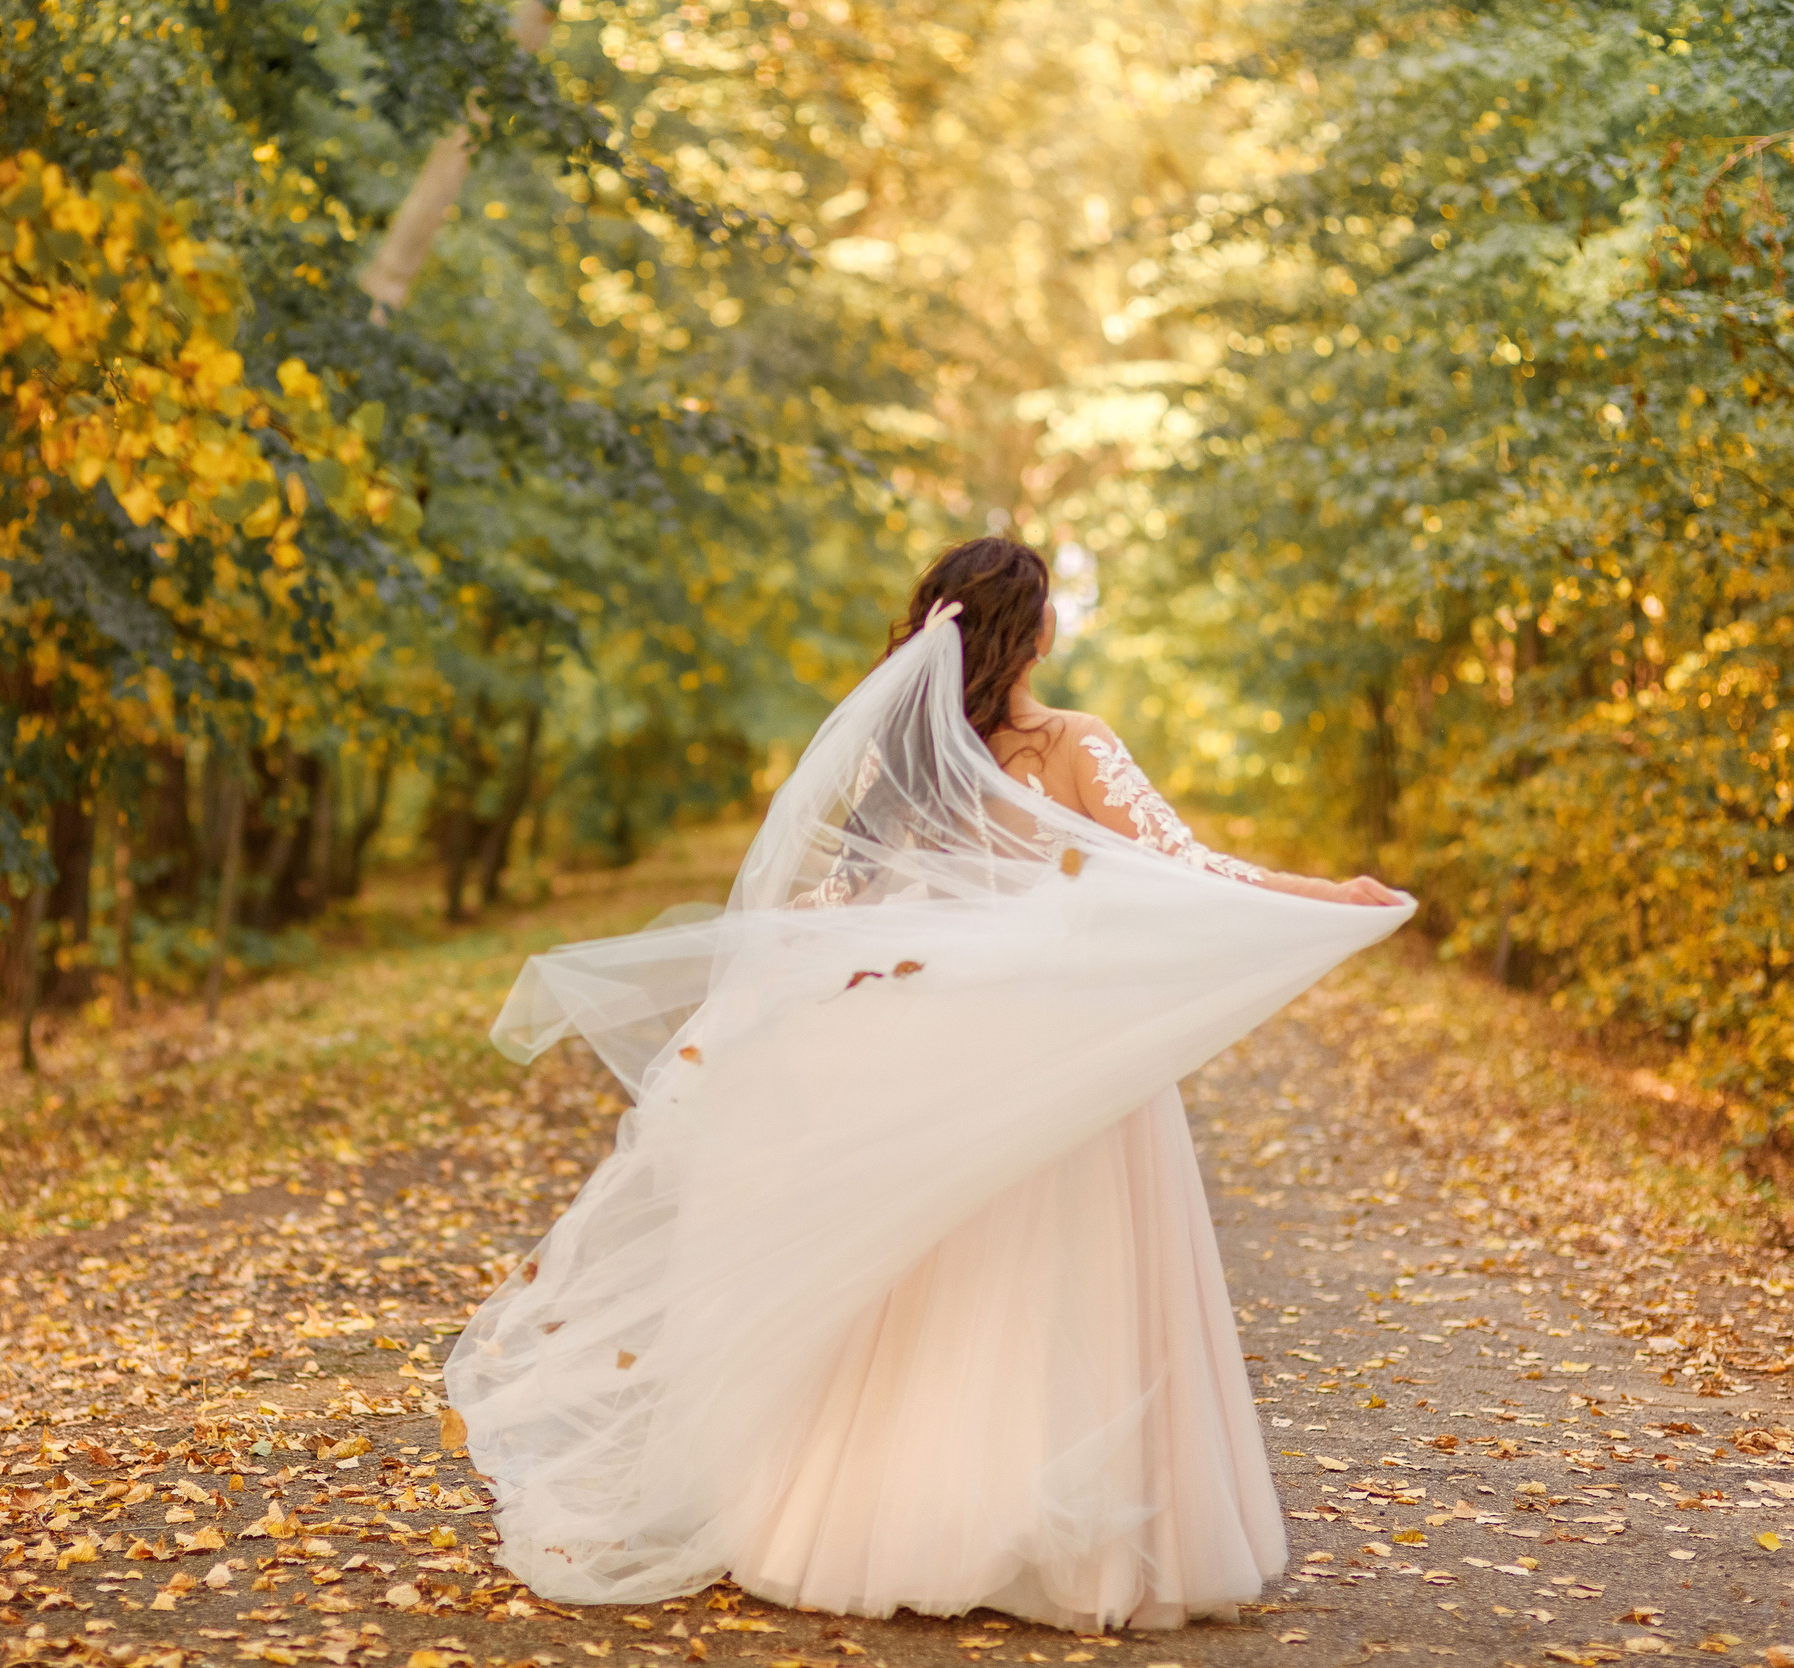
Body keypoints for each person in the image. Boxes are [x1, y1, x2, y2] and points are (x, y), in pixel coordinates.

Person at [447, 536, 1413, 1633]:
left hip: (933, 1041)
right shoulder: (1076, 745)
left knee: (927, 1292)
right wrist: (1323, 893)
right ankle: (1061, 1546)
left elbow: (847, 904)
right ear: (1037, 631)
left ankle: (889, 1518)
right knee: (1057, 1282)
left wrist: (767, 1002)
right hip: (1062, 1045)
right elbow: (1186, 865)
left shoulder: (901, 761)